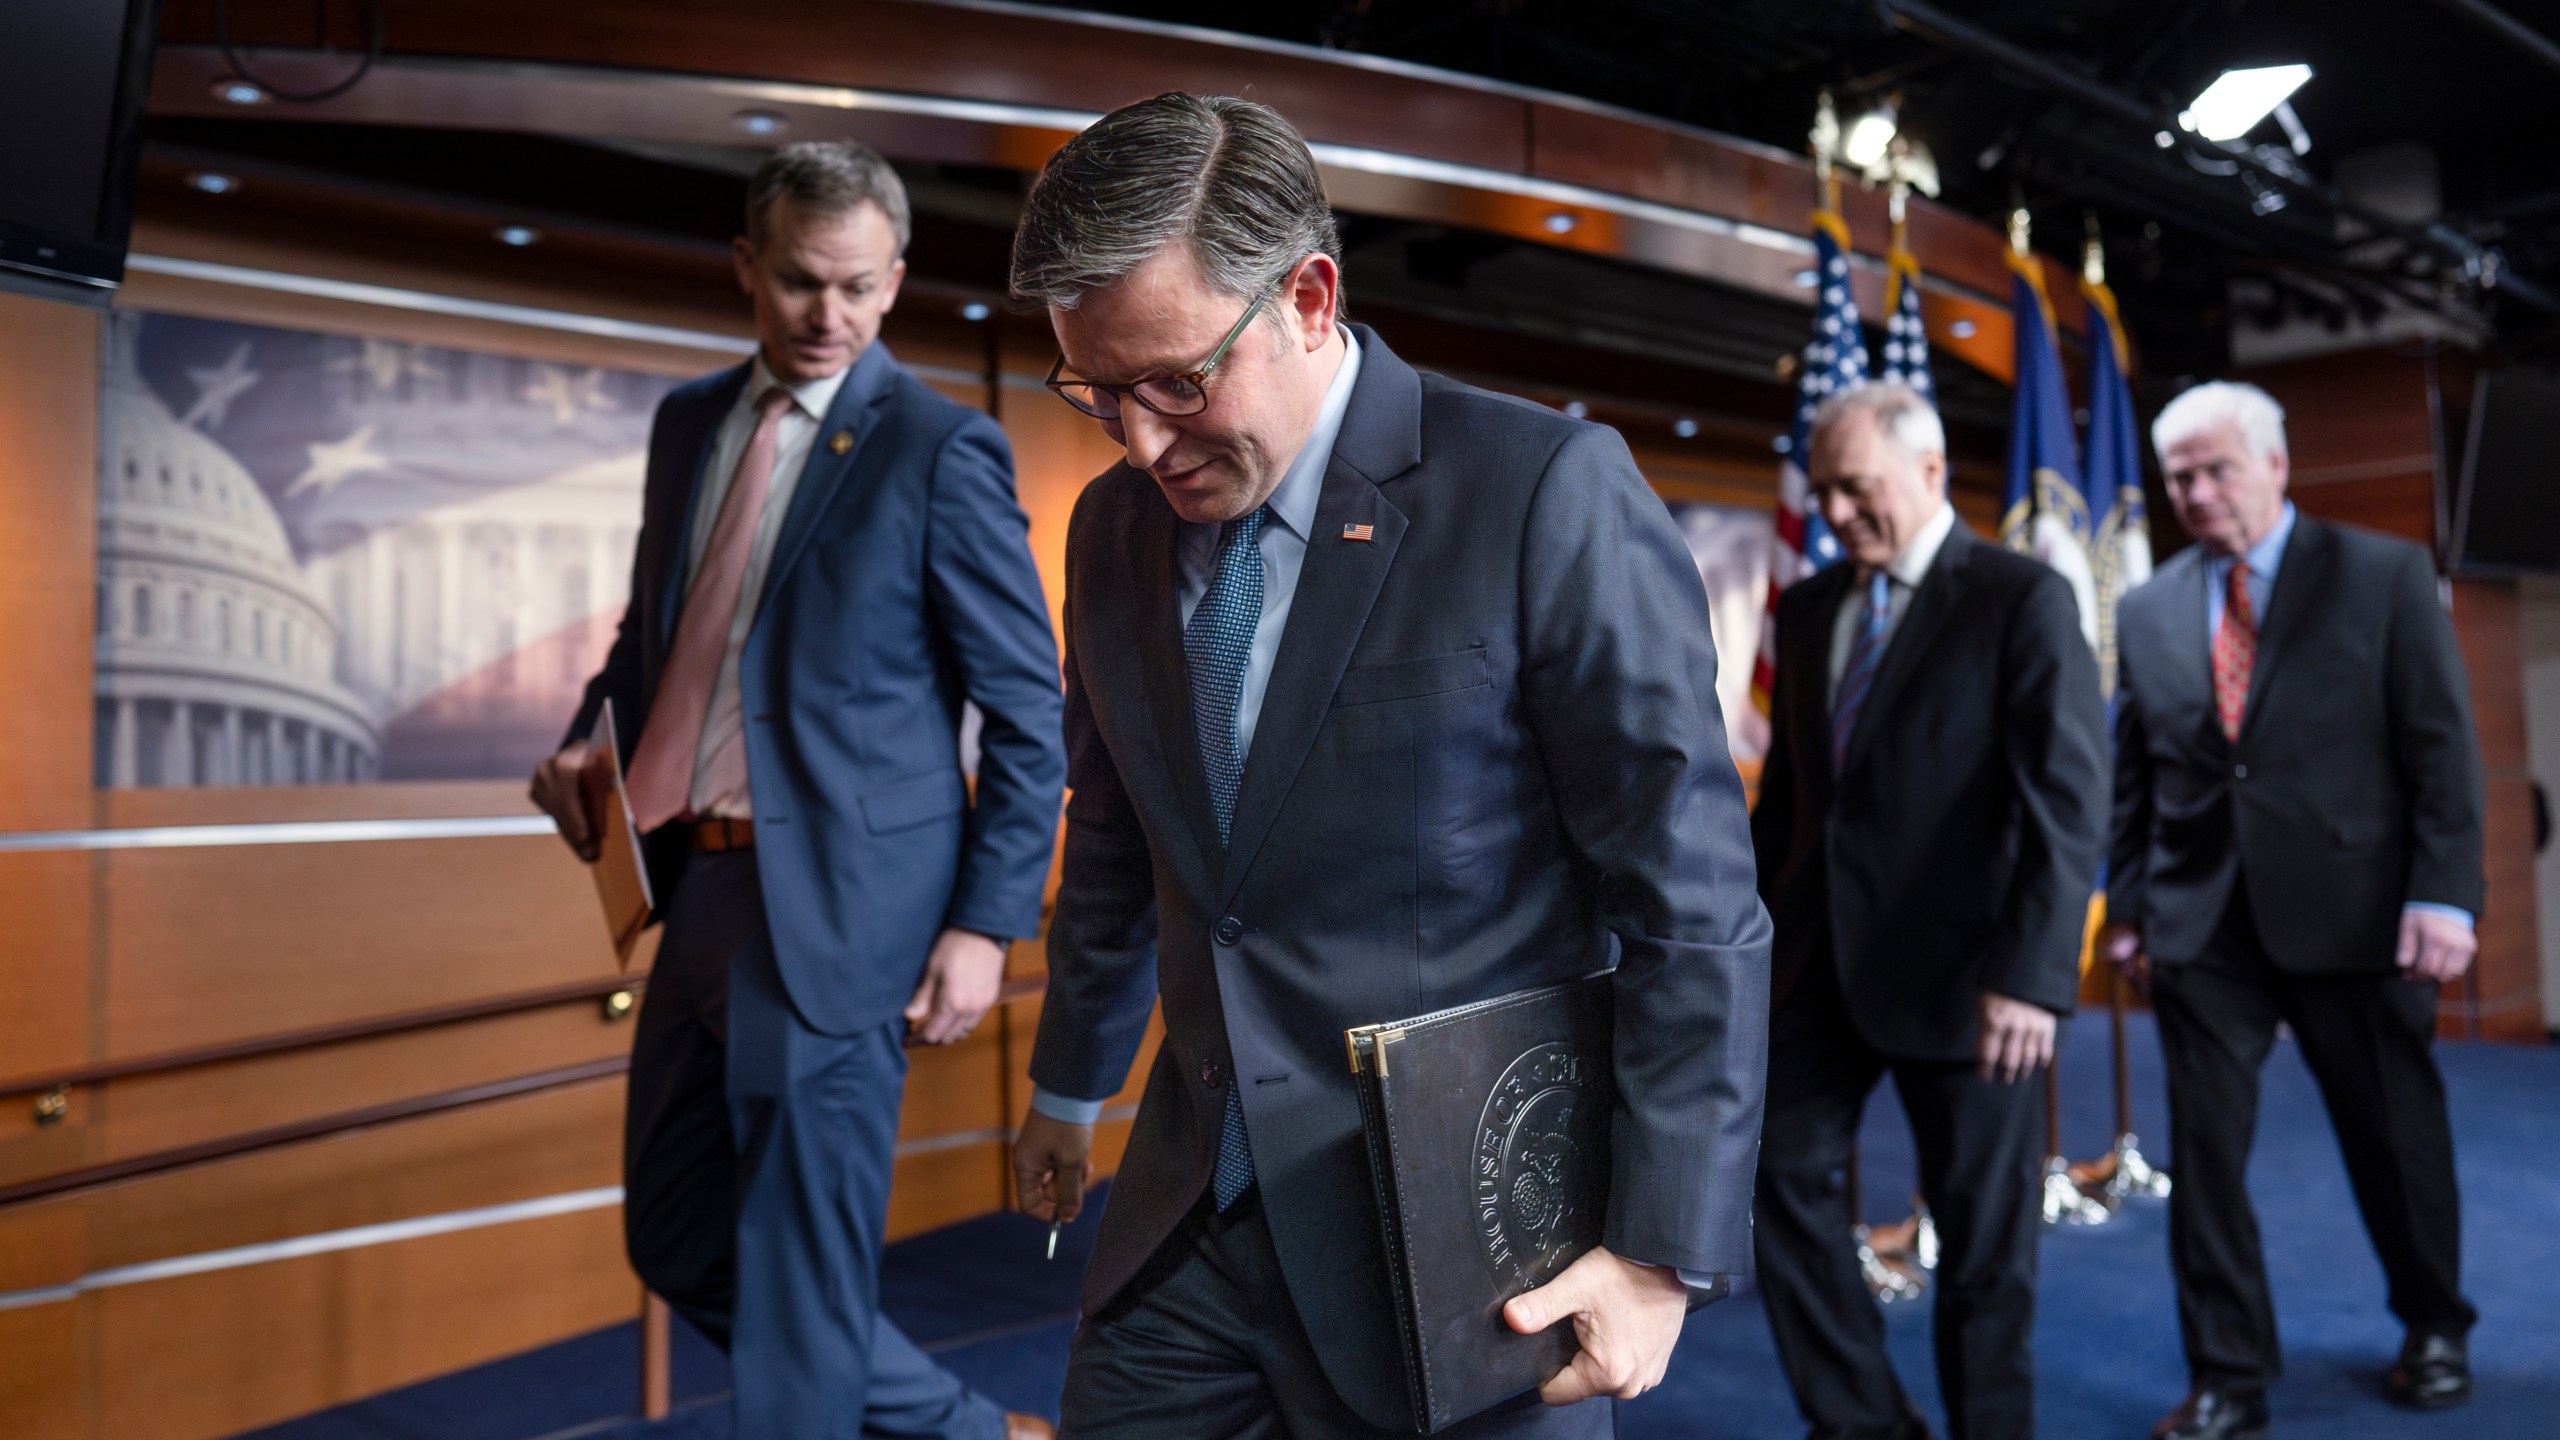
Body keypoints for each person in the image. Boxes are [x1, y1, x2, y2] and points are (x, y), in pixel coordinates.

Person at [1002, 93, 1771, 1439]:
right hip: (1195, 1222)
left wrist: (1659, 1252)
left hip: (1457, 1249)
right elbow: (1121, 838)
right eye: (1098, 390)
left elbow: (1687, 893)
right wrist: (1069, 1086)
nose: (1139, 439)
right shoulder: (1113, 533)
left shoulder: (1541, 491)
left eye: (1178, 379)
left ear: (1308, 296)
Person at [529, 140, 1065, 1440]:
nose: (830, 315)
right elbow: (653, 645)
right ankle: (961, 1430)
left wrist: (986, 926)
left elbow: (1031, 710)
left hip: (838, 912)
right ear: (746, 269)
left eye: (858, 287)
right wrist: (585, 737)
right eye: (799, 283)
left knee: (806, 1276)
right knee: (673, 1232)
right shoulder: (688, 424)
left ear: (893, 283)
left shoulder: (942, 448)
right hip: (693, 887)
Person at [2102, 381, 2483, 1440]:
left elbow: (2442, 750)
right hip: (2202, 931)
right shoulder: (2146, 606)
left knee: (2391, 1135)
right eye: (2179, 475)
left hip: (2359, 917)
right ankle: (2230, 1373)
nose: (2196, 492)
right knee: (2207, 1163)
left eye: (2217, 468)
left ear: (2277, 463)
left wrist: (2444, 893)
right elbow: (2136, 777)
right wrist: (2128, 907)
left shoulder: (2382, 575)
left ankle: (2433, 1323)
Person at [1748, 382, 2108, 1440]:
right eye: (1820, 494)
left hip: (1975, 986)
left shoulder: (2022, 598)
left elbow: (2066, 805)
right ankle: (1862, 1425)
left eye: (1854, 489)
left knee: (1984, 1249)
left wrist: (2035, 977)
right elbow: (1791, 809)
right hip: (1819, 970)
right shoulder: (1810, 606)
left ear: (1930, 470)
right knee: (1770, 1180)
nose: (1835, 514)